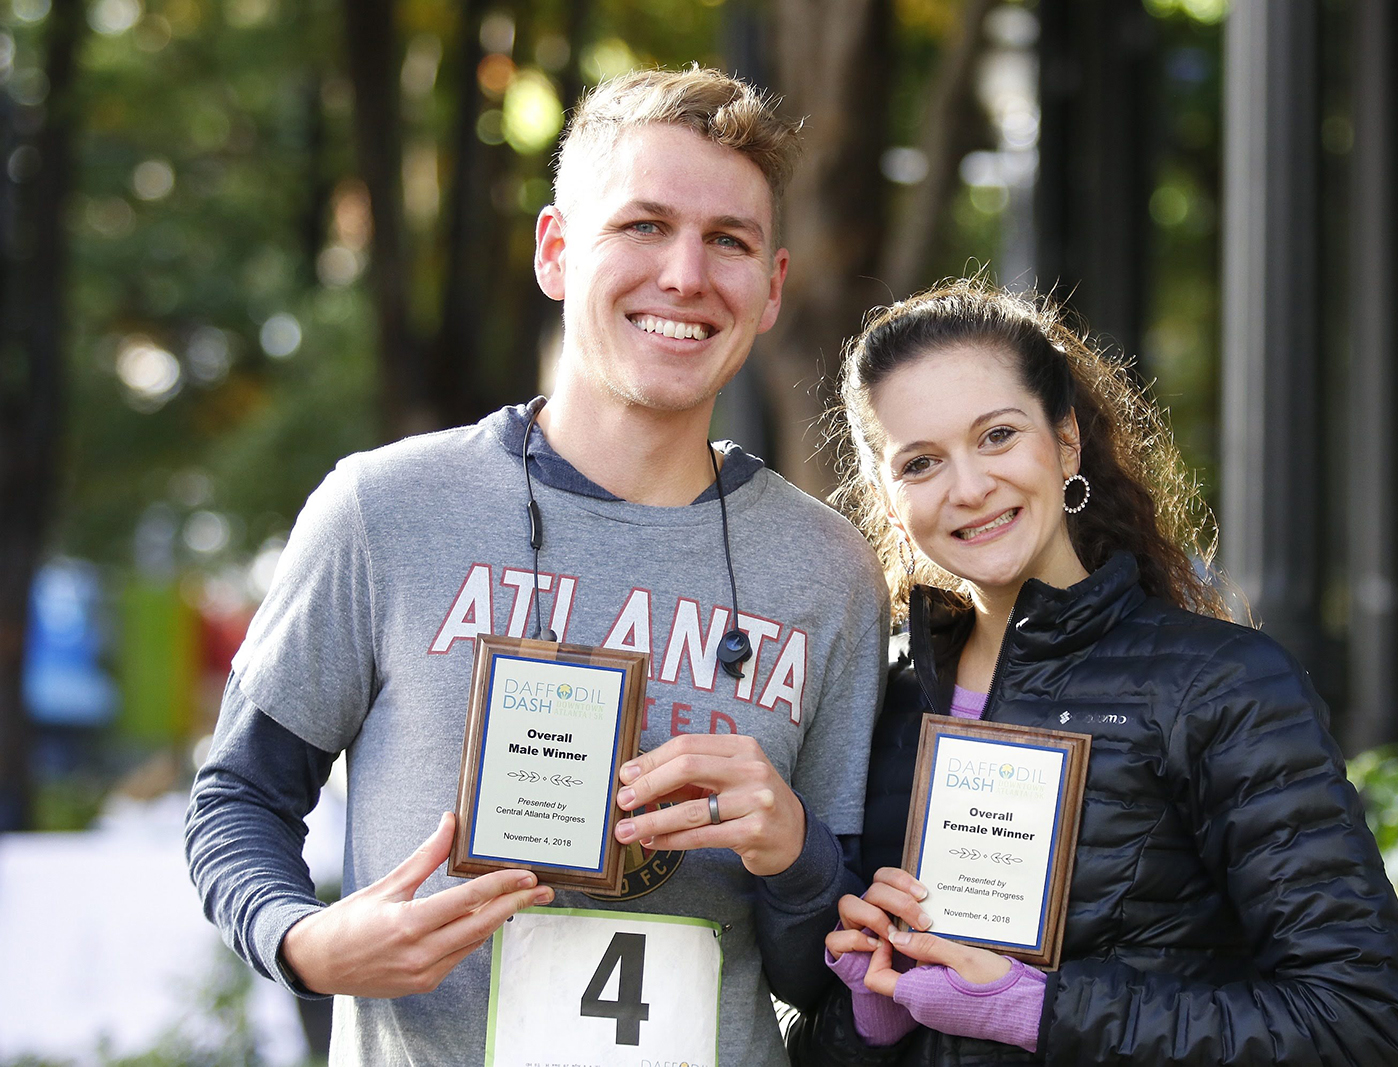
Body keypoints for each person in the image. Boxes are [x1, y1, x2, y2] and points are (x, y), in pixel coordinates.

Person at [185, 67, 889, 1066]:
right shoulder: (383, 510)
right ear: (556, 251)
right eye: (643, 225)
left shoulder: (830, 571)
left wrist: (796, 852)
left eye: (728, 240)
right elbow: (238, 800)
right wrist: (301, 940)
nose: (685, 274)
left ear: (771, 288)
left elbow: (823, 977)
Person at [787, 279, 1398, 1065]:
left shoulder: (1222, 685)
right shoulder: (877, 697)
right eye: (921, 462)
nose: (970, 487)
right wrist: (869, 1014)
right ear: (889, 499)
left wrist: (1035, 1009)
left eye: (997, 435)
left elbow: (1357, 1023)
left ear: (1066, 442)